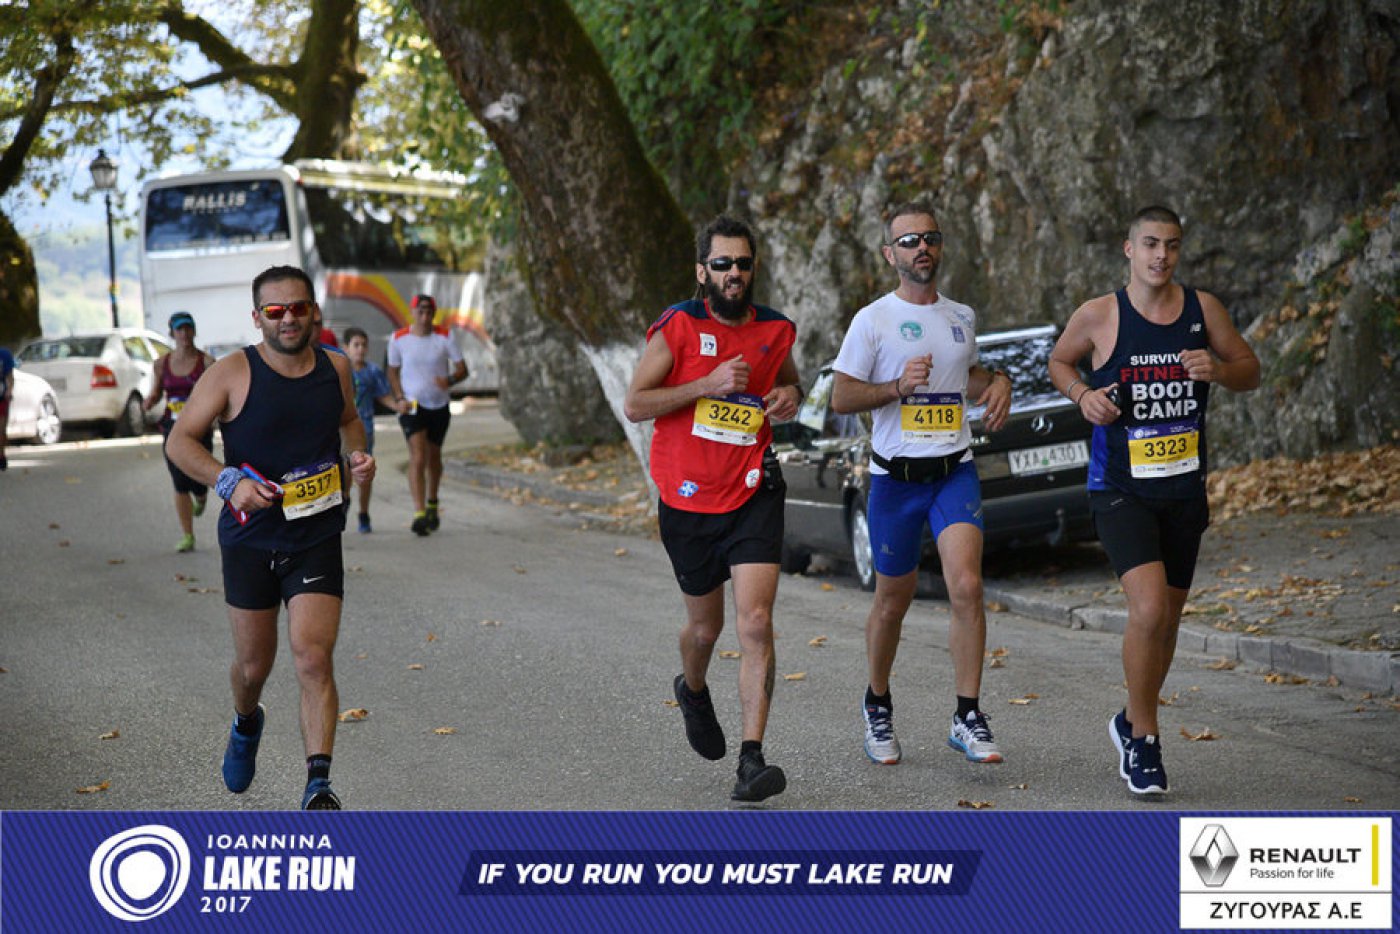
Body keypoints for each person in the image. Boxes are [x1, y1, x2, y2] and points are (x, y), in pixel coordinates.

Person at [1048, 205, 1259, 796]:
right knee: (1147, 611)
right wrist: (1082, 395)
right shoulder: (1099, 315)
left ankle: (1130, 716)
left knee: (1166, 620)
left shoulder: (1202, 310)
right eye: (1150, 244)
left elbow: (1250, 370)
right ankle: (1144, 739)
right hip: (1120, 488)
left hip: (1184, 489)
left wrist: (1218, 370)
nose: (1161, 255)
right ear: (1129, 249)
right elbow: (1059, 361)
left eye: (1171, 245)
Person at [166, 265, 375, 810]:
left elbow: (349, 420)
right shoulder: (232, 372)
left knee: (313, 658)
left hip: (316, 533)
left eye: (298, 308)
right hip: (251, 541)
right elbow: (180, 441)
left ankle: (318, 784)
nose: (288, 319)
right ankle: (245, 721)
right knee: (253, 668)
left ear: (314, 312)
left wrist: (356, 454)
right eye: (275, 311)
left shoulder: (335, 367)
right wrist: (228, 482)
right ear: (257, 317)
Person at [623, 214, 802, 803]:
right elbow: (636, 404)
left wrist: (788, 396)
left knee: (755, 622)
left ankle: (752, 760)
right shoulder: (678, 326)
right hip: (688, 499)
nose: (734, 273)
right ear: (702, 271)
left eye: (743, 264)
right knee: (706, 628)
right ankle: (693, 689)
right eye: (722, 264)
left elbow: (792, 384)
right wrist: (707, 384)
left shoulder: (775, 329)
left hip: (752, 490)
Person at [830, 201, 1012, 769]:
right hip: (896, 480)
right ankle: (877, 703)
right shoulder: (872, 320)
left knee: (967, 587)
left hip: (953, 470)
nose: (921, 248)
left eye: (929, 237)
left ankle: (967, 714)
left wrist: (998, 382)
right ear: (890, 255)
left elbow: (966, 377)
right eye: (908, 241)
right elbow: (841, 396)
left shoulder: (961, 315)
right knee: (893, 601)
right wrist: (894, 389)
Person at [387, 294, 466, 536]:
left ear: (434, 313)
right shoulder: (399, 338)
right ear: (412, 312)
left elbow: (462, 369)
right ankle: (419, 513)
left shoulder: (445, 336)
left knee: (434, 457)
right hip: (413, 405)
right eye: (420, 312)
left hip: (439, 405)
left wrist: (449, 380)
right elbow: (392, 371)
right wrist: (399, 396)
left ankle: (432, 502)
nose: (424, 317)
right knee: (418, 456)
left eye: (429, 312)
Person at [143, 312, 216, 552]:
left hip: (199, 428)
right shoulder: (161, 364)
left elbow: (216, 394)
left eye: (188, 328)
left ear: (194, 331)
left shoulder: (207, 363)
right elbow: (157, 392)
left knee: (199, 478)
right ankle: (188, 535)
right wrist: (149, 401)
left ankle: (201, 496)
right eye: (179, 329)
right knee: (179, 481)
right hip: (172, 428)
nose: (184, 334)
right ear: (172, 333)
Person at [343, 326, 402, 533]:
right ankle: (345, 499)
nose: (360, 349)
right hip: (342, 431)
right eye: (356, 345)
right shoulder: (340, 370)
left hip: (364, 430)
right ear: (346, 348)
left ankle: (363, 512)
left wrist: (398, 406)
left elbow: (383, 396)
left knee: (364, 470)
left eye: (364, 345)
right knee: (344, 470)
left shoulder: (373, 371)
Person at [0, 345, 14, 471]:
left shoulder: (4, 355)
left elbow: (10, 376)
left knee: (1, 429)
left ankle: (1, 455)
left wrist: (9, 390)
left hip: (1, 396)